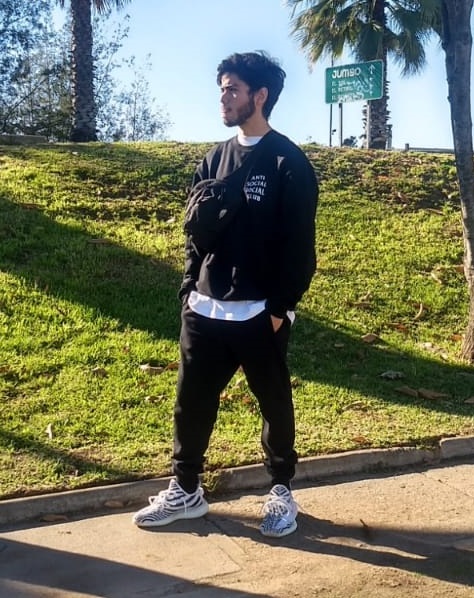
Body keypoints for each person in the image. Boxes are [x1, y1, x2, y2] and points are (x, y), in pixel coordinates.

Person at [133, 51, 318, 538]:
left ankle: (281, 491)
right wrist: (188, 289)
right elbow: (194, 232)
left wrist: (280, 308)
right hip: (205, 308)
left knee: (273, 403)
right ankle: (186, 490)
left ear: (260, 96)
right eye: (222, 89)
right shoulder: (213, 159)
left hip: (259, 312)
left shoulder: (288, 162)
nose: (224, 97)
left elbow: (300, 245)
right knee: (190, 402)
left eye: (233, 89)